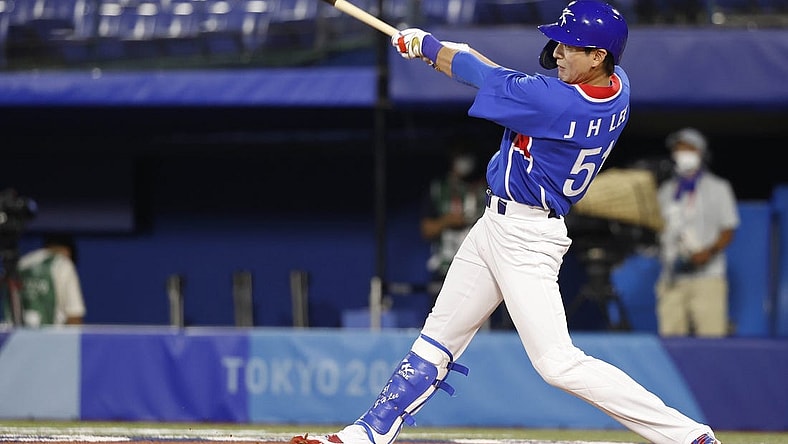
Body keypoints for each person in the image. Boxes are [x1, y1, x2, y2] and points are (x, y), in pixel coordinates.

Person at [291, 1, 720, 443]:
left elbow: (485, 76)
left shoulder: (558, 102)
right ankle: (368, 432)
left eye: (570, 46)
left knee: (557, 363)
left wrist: (426, 47)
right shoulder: (617, 88)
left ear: (598, 56)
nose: (557, 52)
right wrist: (443, 49)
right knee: (438, 339)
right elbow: (507, 80)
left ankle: (689, 435)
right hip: (496, 225)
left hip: (526, 236)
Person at [654, 127, 739, 338]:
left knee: (711, 340)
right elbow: (659, 229)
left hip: (707, 277)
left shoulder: (718, 187)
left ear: (701, 152)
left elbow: (728, 229)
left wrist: (707, 253)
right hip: (672, 277)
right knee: (671, 341)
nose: (682, 153)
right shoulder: (666, 191)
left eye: (688, 148)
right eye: (678, 149)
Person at [420, 141, 487, 293]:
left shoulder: (485, 188)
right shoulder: (438, 189)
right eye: (460, 155)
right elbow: (426, 229)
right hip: (445, 268)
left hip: (477, 268)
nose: (464, 160)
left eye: (466, 154)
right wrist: (447, 221)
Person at [4, 233, 86, 327]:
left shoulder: (21, 263)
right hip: (51, 335)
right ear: (67, 251)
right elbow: (74, 316)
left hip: (16, 335)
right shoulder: (64, 264)